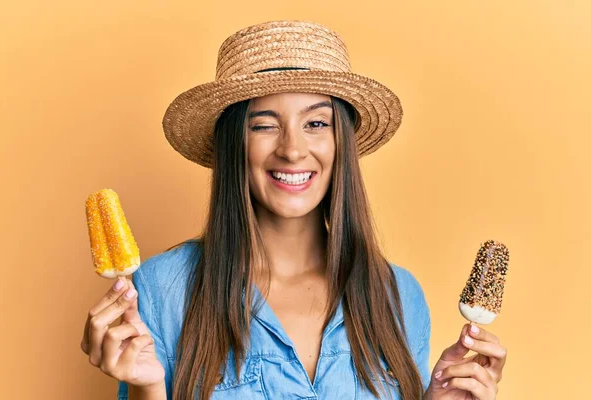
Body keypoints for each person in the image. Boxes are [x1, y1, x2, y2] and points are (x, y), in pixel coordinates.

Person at [80, 20, 507, 400]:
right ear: (235, 146)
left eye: (316, 124)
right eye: (263, 125)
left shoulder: (398, 296)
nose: (292, 149)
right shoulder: (160, 290)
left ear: (341, 143)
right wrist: (147, 388)